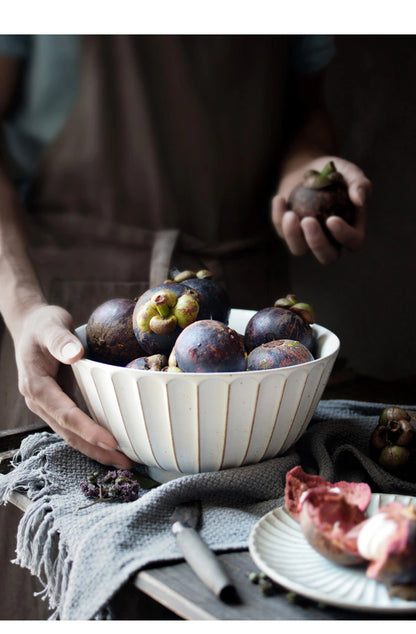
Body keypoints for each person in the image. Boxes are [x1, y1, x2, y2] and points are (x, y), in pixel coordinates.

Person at [0, 35, 372, 472]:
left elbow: (306, 109)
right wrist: (23, 308)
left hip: (248, 329)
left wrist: (304, 173)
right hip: (71, 328)